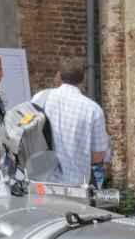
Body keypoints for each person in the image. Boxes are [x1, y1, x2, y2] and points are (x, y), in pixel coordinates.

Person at [31, 58, 110, 187]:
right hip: (75, 186)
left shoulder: (40, 98)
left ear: (59, 76)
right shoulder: (93, 109)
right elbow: (98, 156)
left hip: (41, 182)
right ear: (84, 79)